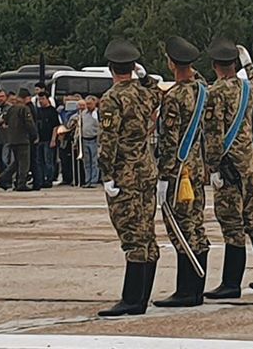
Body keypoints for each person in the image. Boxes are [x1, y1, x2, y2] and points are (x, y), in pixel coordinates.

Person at [202, 38, 253, 299]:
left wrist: (213, 166)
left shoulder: (216, 92)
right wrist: (250, 66)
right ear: (234, 64)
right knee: (251, 217)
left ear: (215, 65)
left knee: (232, 223)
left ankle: (231, 283)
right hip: (247, 164)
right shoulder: (248, 88)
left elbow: (213, 133)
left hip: (228, 166)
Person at [96, 36, 163, 318]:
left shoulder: (112, 98)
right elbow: (157, 92)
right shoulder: (144, 93)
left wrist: (106, 174)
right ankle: (142, 296)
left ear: (111, 68)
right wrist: (144, 77)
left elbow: (108, 140)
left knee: (132, 235)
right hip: (146, 170)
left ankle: (132, 299)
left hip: (125, 173)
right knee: (146, 232)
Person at [155, 36, 211, 308]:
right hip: (197, 167)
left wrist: (164, 176)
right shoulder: (202, 89)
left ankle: (186, 290)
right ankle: (196, 288)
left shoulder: (174, 97)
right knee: (195, 224)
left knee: (180, 226)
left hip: (179, 172)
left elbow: (170, 141)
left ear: (171, 63)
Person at [0, 89, 38, 191]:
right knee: (24, 163)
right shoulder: (24, 109)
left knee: (17, 162)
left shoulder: (11, 109)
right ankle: (21, 184)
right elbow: (29, 123)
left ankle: (2, 177)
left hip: (12, 139)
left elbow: (4, 121)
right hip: (22, 139)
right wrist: (34, 135)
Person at [33, 93, 59, 189]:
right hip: (40, 139)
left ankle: (49, 179)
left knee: (48, 161)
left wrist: (53, 139)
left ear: (47, 99)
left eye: (43, 99)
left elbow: (55, 126)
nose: (41, 101)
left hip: (48, 139)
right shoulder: (38, 111)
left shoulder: (52, 111)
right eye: (39, 99)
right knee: (39, 161)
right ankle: (41, 179)